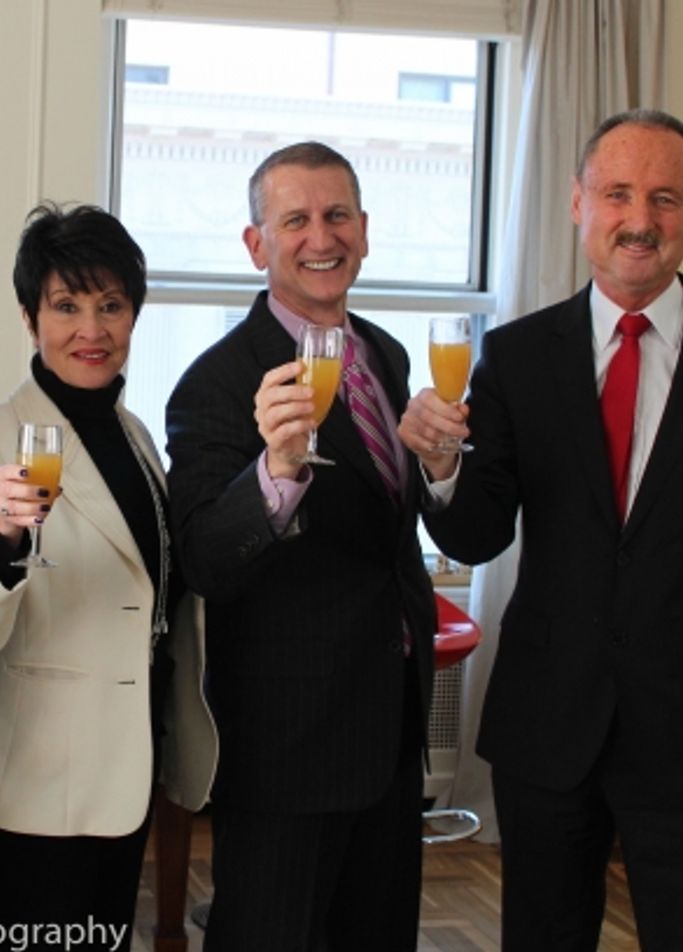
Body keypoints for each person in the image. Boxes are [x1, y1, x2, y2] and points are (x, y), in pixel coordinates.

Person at [401, 109, 683, 950]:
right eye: (619, 194)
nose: (641, 220)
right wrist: (442, 469)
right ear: (578, 203)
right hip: (550, 729)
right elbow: (481, 536)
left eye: (665, 198)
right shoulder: (516, 356)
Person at [166, 142, 433, 952]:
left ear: (364, 229)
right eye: (296, 220)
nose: (322, 236)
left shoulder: (382, 354)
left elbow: (386, 534)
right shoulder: (217, 381)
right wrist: (275, 475)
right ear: (257, 244)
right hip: (288, 743)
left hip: (391, 725)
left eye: (337, 215)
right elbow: (206, 559)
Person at [0, 203, 216, 951]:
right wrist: (5, 538)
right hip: (26, 784)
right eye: (66, 306)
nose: (92, 329)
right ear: (30, 319)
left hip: (125, 767)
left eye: (111, 305)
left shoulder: (137, 436)